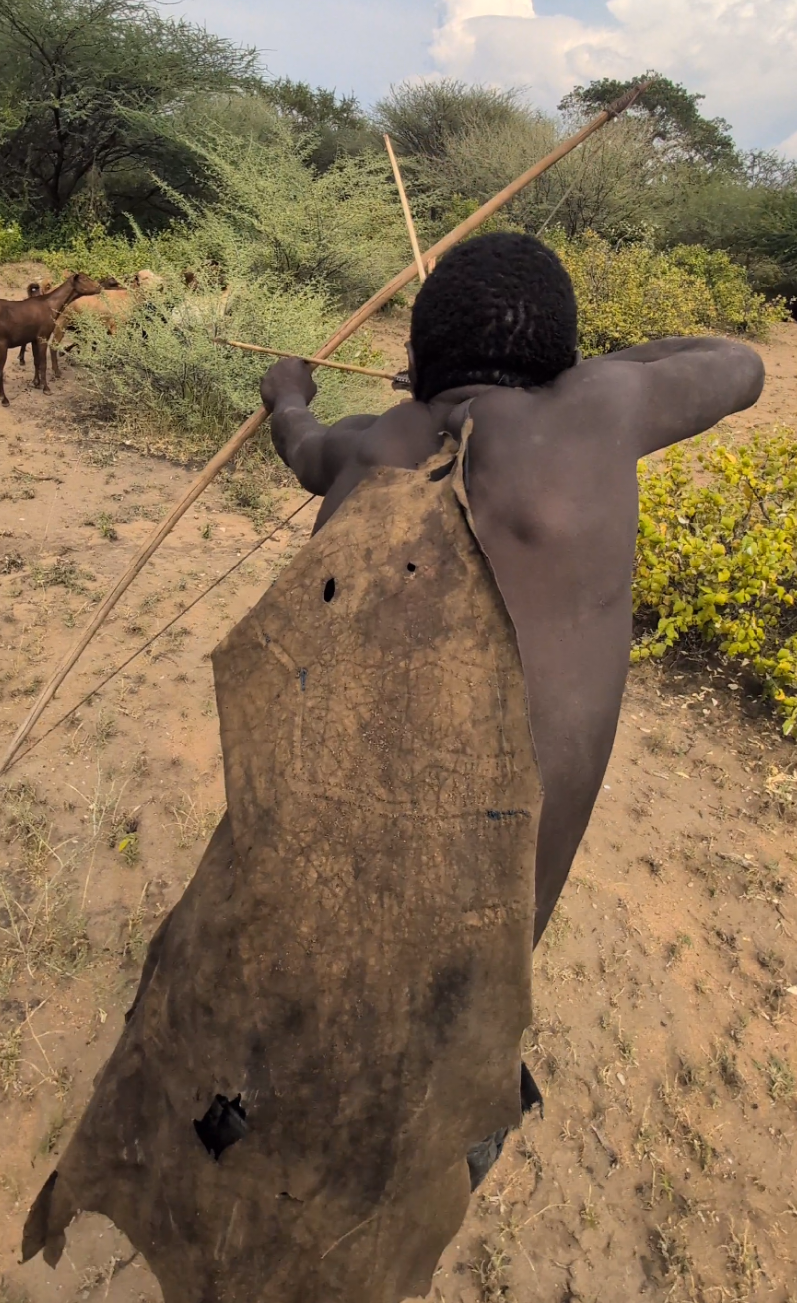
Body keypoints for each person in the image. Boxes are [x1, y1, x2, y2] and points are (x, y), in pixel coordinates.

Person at [260, 230, 765, 1185]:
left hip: (328, 876)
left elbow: (298, 440)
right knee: (442, 1042)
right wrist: (587, 373)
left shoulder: (365, 447)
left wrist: (288, 388)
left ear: (417, 362)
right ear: (563, 361)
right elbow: (736, 366)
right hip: (489, 921)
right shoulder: (602, 412)